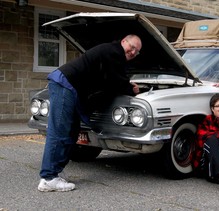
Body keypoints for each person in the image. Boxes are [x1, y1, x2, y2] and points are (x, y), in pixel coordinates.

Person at [37, 34, 142, 192]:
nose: (133, 52)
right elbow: (115, 81)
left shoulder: (111, 53)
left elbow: (107, 81)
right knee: (60, 131)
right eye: (131, 47)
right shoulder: (114, 52)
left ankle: (54, 172)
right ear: (123, 42)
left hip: (68, 87)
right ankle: (48, 178)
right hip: (65, 84)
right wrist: (131, 89)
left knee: (71, 131)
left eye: (137, 51)